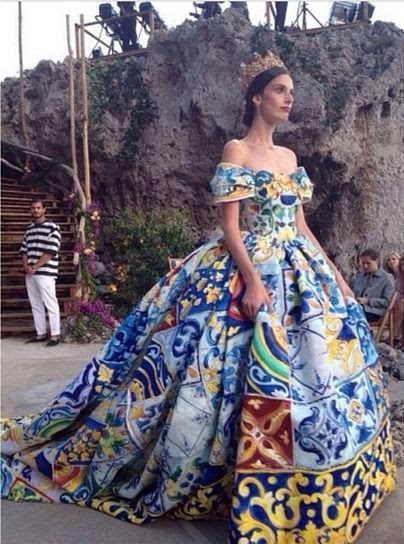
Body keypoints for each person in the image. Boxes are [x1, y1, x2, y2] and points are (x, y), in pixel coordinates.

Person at [1, 51, 396, 543]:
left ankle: (323, 475)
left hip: (299, 267)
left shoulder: (291, 159)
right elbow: (229, 227)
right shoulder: (237, 150)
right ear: (256, 97)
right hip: (248, 262)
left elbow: (301, 226)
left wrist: (335, 276)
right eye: (280, 90)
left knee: (320, 363)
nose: (289, 98)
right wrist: (252, 281)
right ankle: (224, 474)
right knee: (216, 369)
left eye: (291, 92)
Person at [19, 197, 62, 347]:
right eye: (33, 208)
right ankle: (41, 333)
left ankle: (55, 335)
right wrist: (26, 266)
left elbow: (51, 250)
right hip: (30, 273)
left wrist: (36, 266)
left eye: (38, 208)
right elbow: (24, 250)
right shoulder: (29, 229)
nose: (35, 210)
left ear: (44, 210)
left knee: (50, 303)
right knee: (35, 304)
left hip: (46, 272)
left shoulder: (53, 228)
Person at [353, 248, 395, 323]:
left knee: (352, 315)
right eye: (363, 263)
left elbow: (387, 302)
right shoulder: (360, 277)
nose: (365, 266)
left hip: (375, 312)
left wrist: (368, 301)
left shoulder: (387, 278)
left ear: (376, 261)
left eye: (368, 263)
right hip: (358, 307)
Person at [384, 251, 404, 344]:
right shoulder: (388, 276)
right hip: (392, 301)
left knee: (399, 304)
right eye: (389, 260)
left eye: (393, 259)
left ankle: (395, 334)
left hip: (399, 301)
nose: (391, 261)